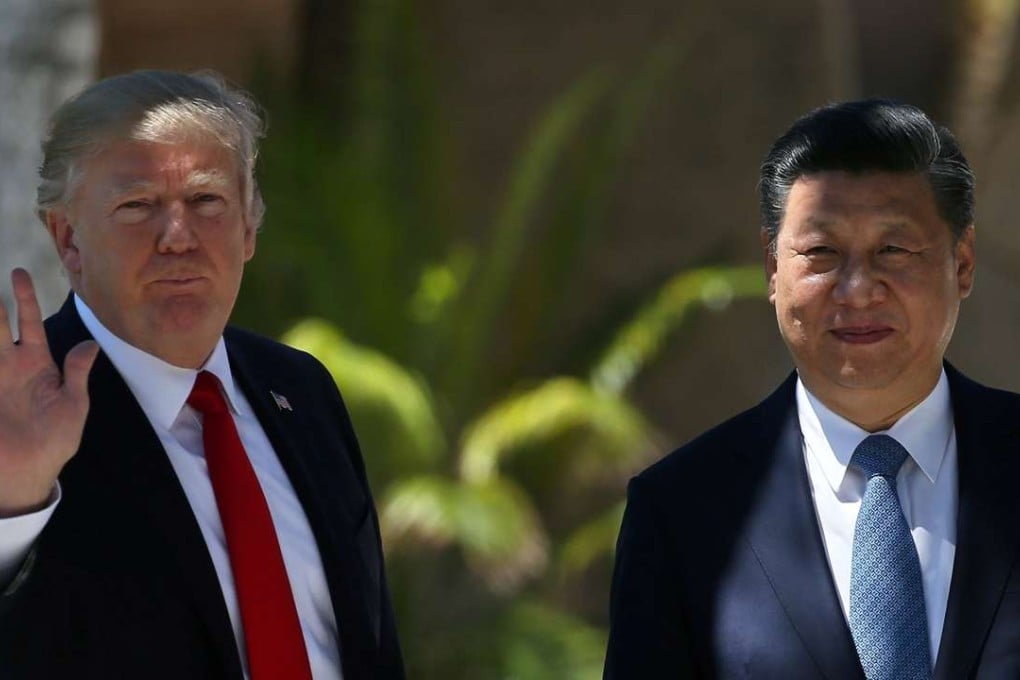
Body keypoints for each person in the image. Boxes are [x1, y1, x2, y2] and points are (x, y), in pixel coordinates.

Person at [0, 70, 405, 679]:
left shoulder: (300, 388)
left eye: (206, 200)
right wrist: (15, 505)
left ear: (249, 227)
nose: (178, 237)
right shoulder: (20, 410)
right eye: (137, 206)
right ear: (67, 239)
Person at [604, 100, 1020, 679]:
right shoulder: (681, 514)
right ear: (774, 270)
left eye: (893, 251)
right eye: (821, 253)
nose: (856, 290)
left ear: (963, 263)